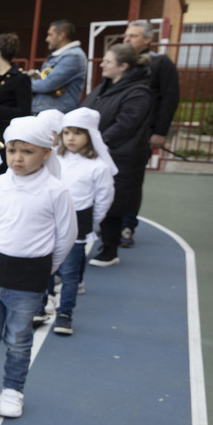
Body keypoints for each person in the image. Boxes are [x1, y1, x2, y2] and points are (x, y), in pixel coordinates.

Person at [0, 117, 77, 419]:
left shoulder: (56, 192)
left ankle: (13, 390)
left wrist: (42, 269)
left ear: (46, 152)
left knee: (18, 340)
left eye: (27, 151)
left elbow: (65, 237)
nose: (17, 158)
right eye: (12, 150)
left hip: (29, 280)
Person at [83, 44, 153, 268]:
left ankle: (110, 250)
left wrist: (95, 143)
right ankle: (105, 245)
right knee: (99, 199)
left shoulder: (139, 92)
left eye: (108, 61)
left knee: (113, 202)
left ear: (123, 66)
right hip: (100, 152)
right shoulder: (105, 87)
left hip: (121, 156)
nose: (102, 64)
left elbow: (125, 125)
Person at [53, 108, 116, 335]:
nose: (70, 138)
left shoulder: (98, 166)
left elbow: (104, 198)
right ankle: (41, 304)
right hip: (51, 222)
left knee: (69, 271)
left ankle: (64, 314)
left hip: (78, 223)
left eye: (77, 133)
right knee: (47, 266)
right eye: (66, 132)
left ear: (90, 136)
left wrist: (90, 222)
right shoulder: (55, 157)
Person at [120, 19, 180, 248]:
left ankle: (127, 226)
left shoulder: (160, 63)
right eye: (126, 36)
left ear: (147, 39)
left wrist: (160, 132)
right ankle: (111, 224)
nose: (127, 40)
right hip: (119, 134)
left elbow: (169, 98)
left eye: (132, 36)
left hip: (143, 134)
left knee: (132, 181)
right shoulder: (123, 64)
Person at [29, 19, 87, 115]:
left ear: (61, 36)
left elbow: (48, 84)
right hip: (47, 112)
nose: (47, 39)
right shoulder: (61, 55)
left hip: (56, 114)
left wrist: (24, 83)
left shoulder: (73, 56)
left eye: (50, 35)